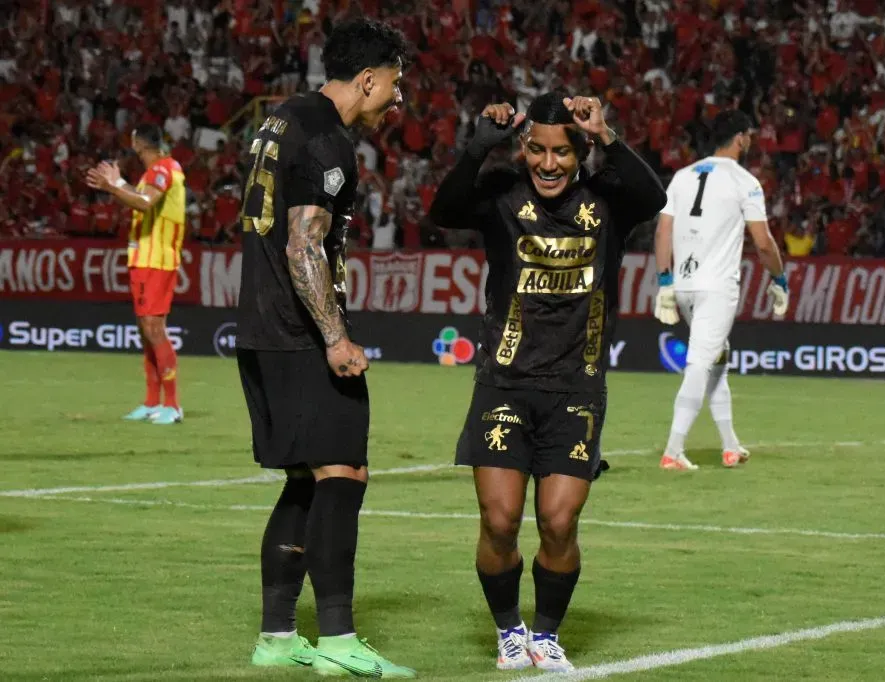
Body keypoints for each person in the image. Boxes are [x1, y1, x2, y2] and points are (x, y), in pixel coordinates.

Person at [429, 92, 667, 672]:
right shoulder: (503, 194)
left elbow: (654, 196)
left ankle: (548, 633)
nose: (549, 163)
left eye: (562, 151)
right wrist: (478, 149)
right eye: (537, 149)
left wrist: (607, 132)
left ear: (580, 152)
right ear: (524, 148)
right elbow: (444, 208)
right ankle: (510, 630)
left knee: (559, 521)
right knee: (500, 520)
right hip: (504, 384)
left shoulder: (605, 199)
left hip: (576, 388)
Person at [234, 19, 415, 678]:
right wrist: (334, 335)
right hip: (299, 333)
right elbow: (304, 243)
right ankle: (338, 639)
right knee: (344, 474)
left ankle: (278, 639)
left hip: (258, 327)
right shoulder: (328, 142)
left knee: (306, 482)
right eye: (392, 84)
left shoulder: (279, 119)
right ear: (367, 78)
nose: (395, 100)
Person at [652, 110, 789, 471]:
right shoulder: (744, 181)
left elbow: (662, 231)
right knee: (700, 361)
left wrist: (664, 282)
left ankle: (730, 445)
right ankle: (673, 450)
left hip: (683, 285)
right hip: (716, 288)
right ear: (741, 138)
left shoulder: (683, 176)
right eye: (750, 136)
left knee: (716, 360)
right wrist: (779, 278)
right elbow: (762, 242)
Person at [86, 124, 187, 425]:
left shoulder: (163, 169)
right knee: (147, 332)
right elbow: (141, 196)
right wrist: (119, 182)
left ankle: (172, 405)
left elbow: (144, 204)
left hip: (156, 260)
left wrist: (112, 187)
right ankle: (151, 402)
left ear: (137, 144)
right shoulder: (157, 172)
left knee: (154, 329)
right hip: (146, 259)